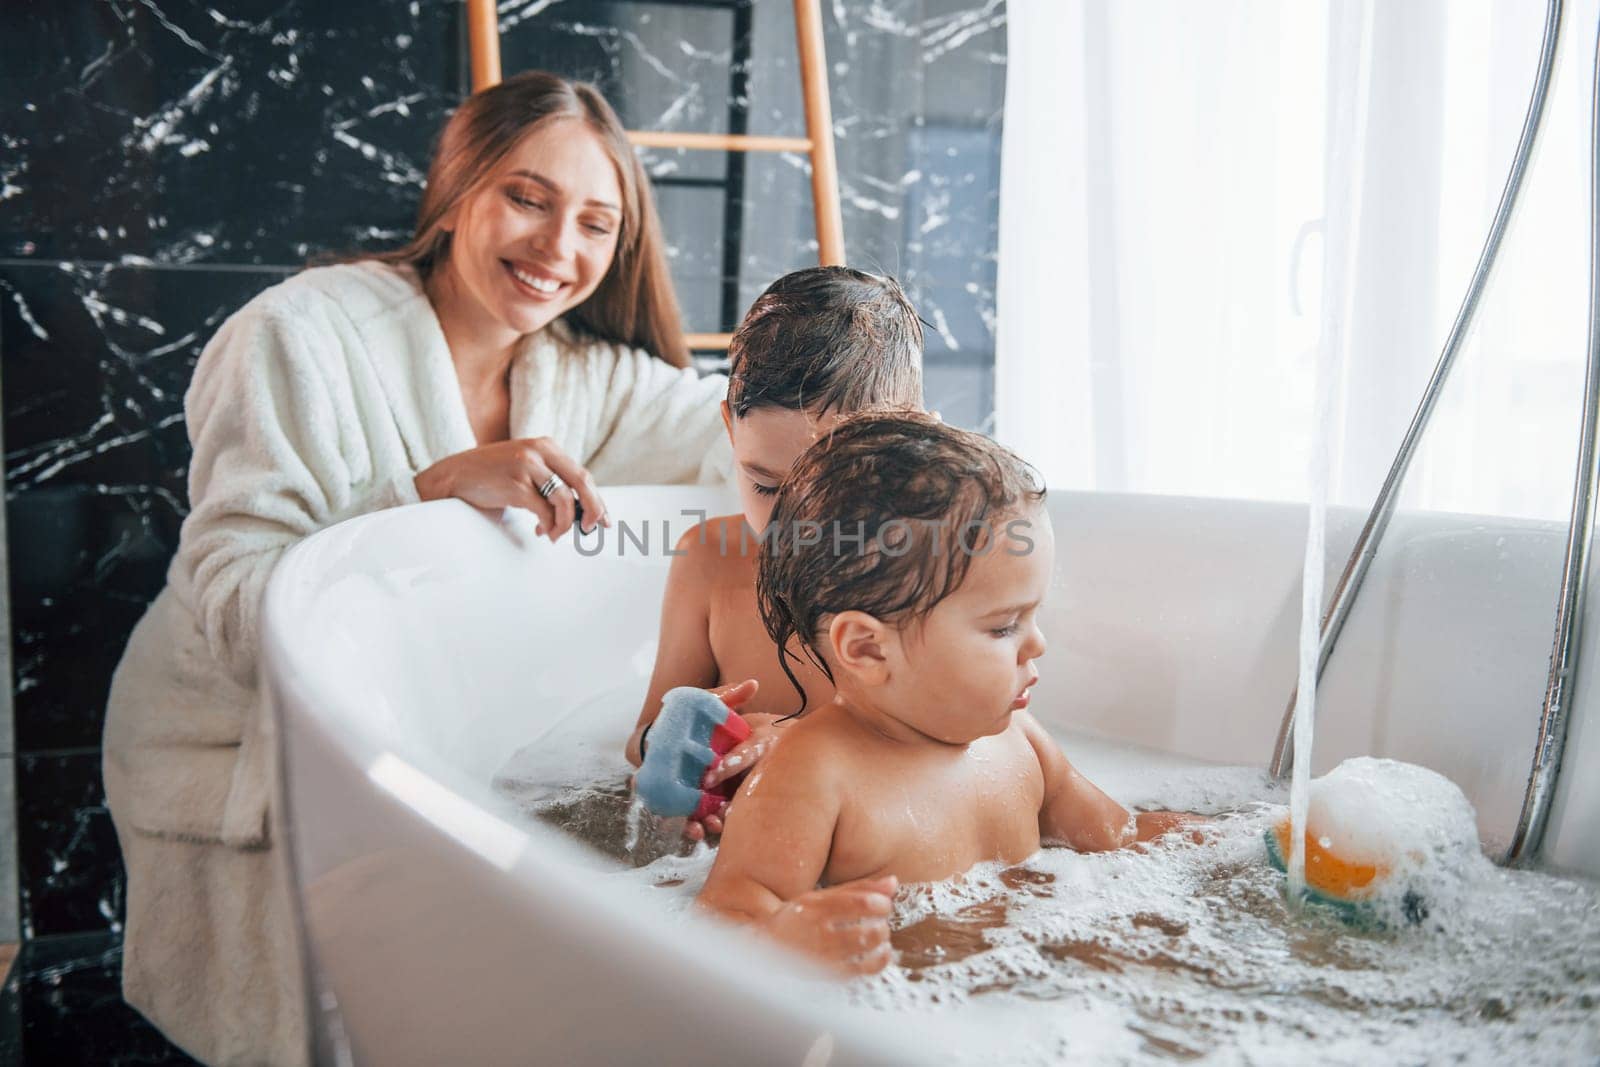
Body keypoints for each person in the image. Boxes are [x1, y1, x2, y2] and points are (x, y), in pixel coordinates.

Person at [102, 71, 731, 1065]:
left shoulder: (577, 372)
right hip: (229, 741)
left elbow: (733, 436)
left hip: (409, 730)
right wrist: (425, 493)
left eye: (595, 223)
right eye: (527, 197)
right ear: (455, 188)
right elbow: (233, 596)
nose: (558, 250)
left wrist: (868, 424)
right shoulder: (297, 337)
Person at [696, 412, 1197, 974]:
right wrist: (783, 937)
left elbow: (1121, 836)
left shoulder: (1020, 744)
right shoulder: (812, 775)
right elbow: (724, 918)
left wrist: (1242, 838)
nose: (1038, 644)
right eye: (1004, 626)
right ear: (867, 649)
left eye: (1033, 617)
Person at [623, 267, 924, 840]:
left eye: (833, 486)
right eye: (764, 485)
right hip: (748, 854)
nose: (795, 524)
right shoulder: (709, 560)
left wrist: (803, 754)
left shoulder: (927, 576)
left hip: (884, 849)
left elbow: (971, 753)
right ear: (730, 431)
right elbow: (643, 736)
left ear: (910, 440)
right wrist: (686, 744)